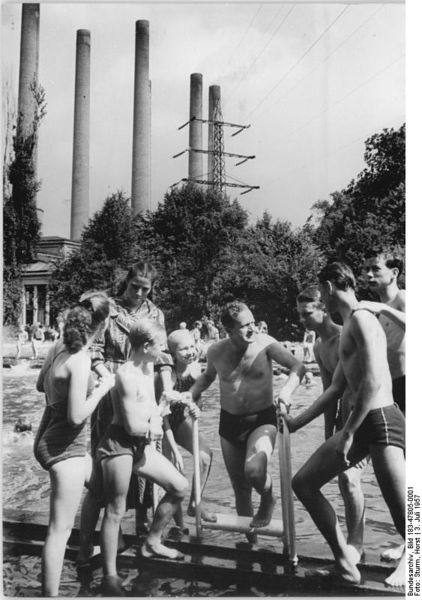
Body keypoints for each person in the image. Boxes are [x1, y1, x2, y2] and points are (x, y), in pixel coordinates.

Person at [281, 263, 405, 589]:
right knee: (304, 483)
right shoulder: (350, 322)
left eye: (321, 291)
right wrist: (296, 423)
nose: (321, 297)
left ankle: (415, 573)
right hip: (361, 424)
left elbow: (374, 381)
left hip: (380, 422)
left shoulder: (363, 319)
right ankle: (346, 566)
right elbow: (336, 388)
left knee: (406, 516)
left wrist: (348, 432)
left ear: (328, 287)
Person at [77, 261, 173, 564]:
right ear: (126, 281)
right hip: (110, 389)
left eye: (146, 289)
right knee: (106, 468)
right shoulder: (109, 309)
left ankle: (143, 530)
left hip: (144, 388)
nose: (140, 293)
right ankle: (101, 538)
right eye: (135, 287)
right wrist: (109, 378)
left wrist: (167, 389)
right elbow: (93, 351)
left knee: (143, 462)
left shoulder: (155, 313)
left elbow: (163, 357)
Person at [190, 301, 305, 540]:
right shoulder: (215, 351)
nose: (252, 329)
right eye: (245, 326)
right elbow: (208, 377)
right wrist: (189, 395)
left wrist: (286, 391)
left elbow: (297, 366)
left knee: (253, 471)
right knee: (241, 490)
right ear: (229, 330)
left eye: (253, 322)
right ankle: (249, 541)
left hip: (262, 419)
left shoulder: (266, 344)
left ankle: (268, 497)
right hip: (229, 423)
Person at [97, 320, 188, 595]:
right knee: (115, 508)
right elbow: (133, 426)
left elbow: (150, 407)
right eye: (160, 346)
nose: (163, 352)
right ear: (146, 346)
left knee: (180, 487)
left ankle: (153, 541)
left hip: (141, 444)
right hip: (119, 443)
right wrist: (156, 424)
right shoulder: (125, 375)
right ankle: (110, 575)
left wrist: (163, 405)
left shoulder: (148, 368)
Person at [33, 292, 115, 597]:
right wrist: (103, 387)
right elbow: (77, 415)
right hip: (63, 449)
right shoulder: (80, 359)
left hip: (51, 440)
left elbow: (40, 384)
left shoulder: (59, 346)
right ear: (103, 324)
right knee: (58, 531)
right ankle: (50, 596)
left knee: (103, 489)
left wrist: (69, 384)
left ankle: (89, 552)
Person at [296, 287, 365, 560]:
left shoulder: (344, 335)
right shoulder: (317, 345)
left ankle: (356, 545)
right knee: (343, 482)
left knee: (350, 479)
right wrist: (328, 435)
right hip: (342, 420)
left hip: (363, 417)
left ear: (323, 308)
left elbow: (350, 387)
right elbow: (328, 392)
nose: (302, 319)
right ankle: (352, 544)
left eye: (307, 312)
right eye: (299, 314)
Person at [362, 247, 406, 562]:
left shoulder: (402, 300)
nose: (368, 275)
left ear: (394, 271)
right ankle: (409, 540)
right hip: (389, 393)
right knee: (397, 472)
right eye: (366, 270)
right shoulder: (375, 310)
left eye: (375, 269)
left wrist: (380, 307)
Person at [159, 328, 216, 533]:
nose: (190, 352)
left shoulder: (194, 367)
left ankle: (195, 504)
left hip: (181, 420)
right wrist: (173, 447)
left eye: (192, 346)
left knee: (205, 456)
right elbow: (162, 413)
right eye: (184, 349)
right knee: (175, 474)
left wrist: (196, 408)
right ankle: (179, 524)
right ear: (173, 352)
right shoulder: (167, 371)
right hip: (162, 424)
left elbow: (197, 395)